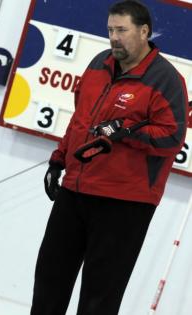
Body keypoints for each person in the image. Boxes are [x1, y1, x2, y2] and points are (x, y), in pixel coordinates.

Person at [32, 1, 189, 314]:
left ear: (144, 32)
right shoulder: (97, 64)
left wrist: (128, 132)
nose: (114, 37)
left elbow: (172, 138)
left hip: (124, 202)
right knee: (49, 279)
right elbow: (81, 120)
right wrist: (58, 160)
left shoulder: (166, 80)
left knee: (99, 296)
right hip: (75, 191)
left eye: (122, 30)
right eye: (110, 30)